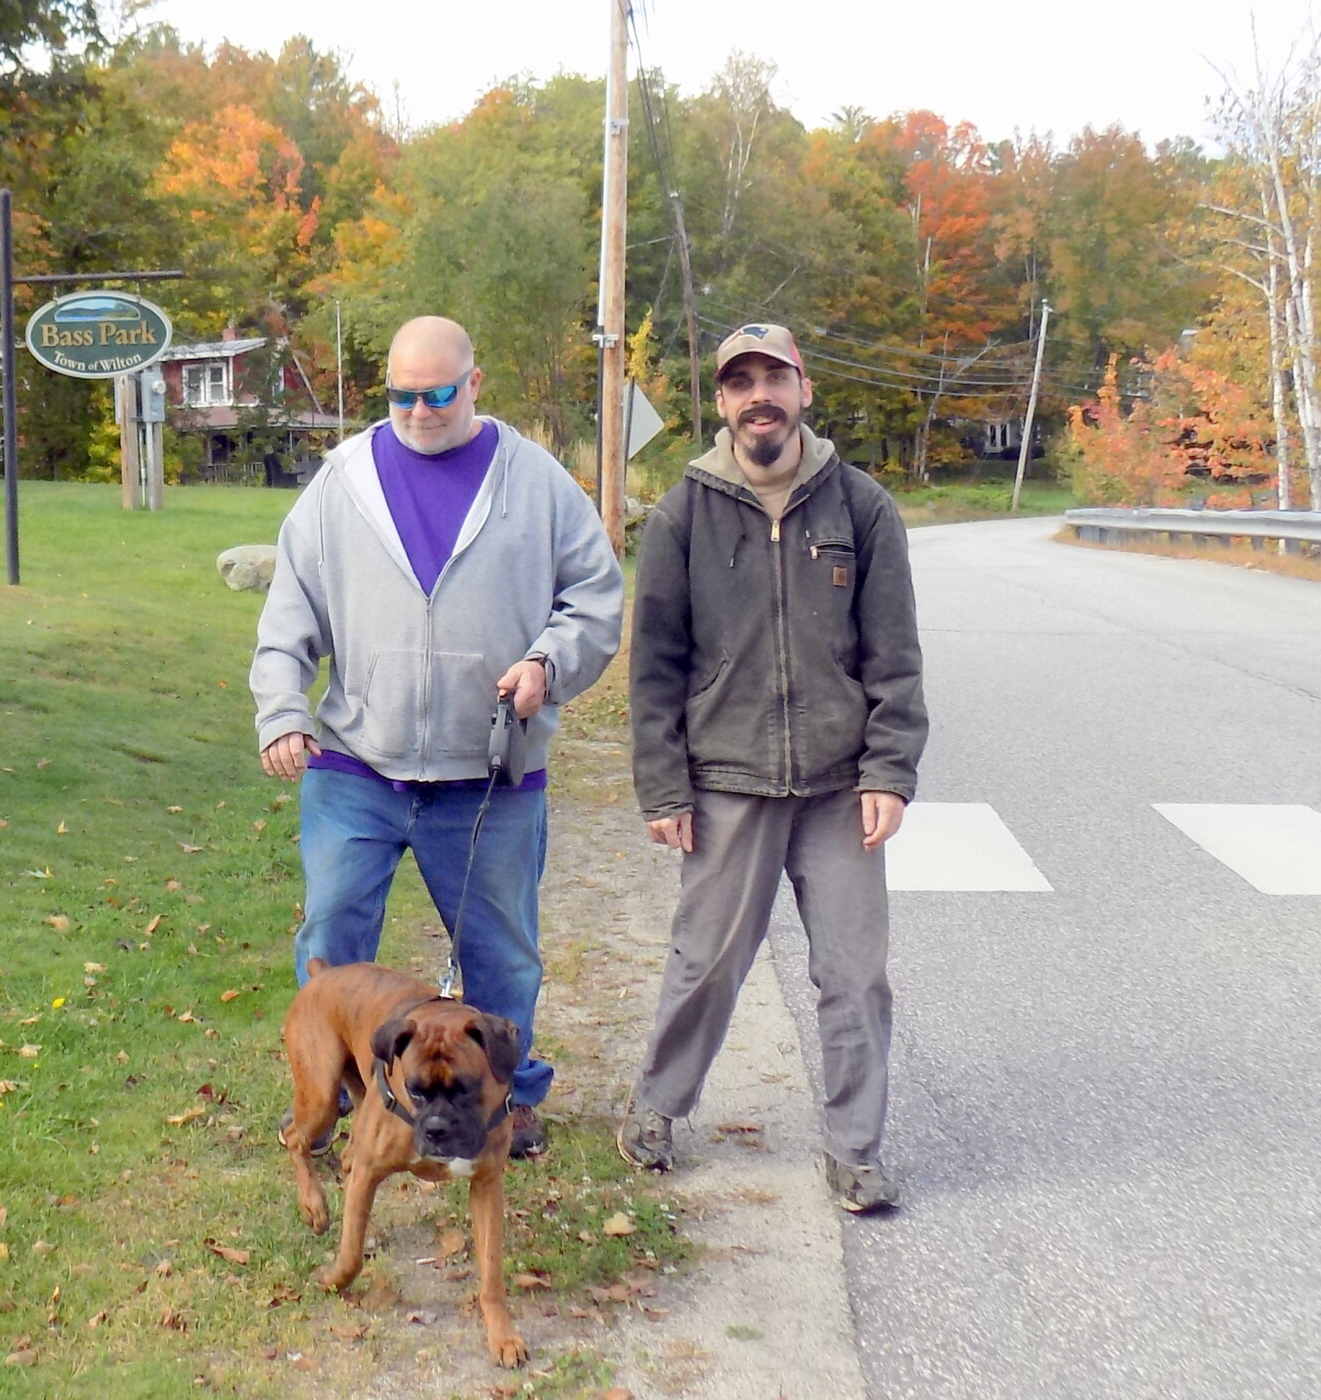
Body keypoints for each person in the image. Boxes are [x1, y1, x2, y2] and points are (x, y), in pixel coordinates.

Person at [251, 315, 624, 1158]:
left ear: (474, 384)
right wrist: (282, 712)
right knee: (331, 940)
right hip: (357, 764)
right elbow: (288, 617)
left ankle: (506, 1102)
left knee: (501, 956)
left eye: (438, 394)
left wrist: (548, 663)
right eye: (401, 395)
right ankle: (330, 1095)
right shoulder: (341, 483)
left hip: (488, 774)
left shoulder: (534, 482)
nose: (418, 411)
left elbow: (596, 598)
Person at [619, 324, 927, 1211]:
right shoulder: (683, 513)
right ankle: (656, 1106)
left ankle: (854, 1150)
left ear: (803, 390)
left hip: (839, 787)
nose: (759, 395)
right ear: (721, 401)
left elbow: (894, 655)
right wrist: (663, 785)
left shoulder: (860, 507)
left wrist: (888, 770)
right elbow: (654, 668)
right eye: (741, 382)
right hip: (726, 779)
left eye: (774, 378)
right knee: (706, 962)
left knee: (854, 975)